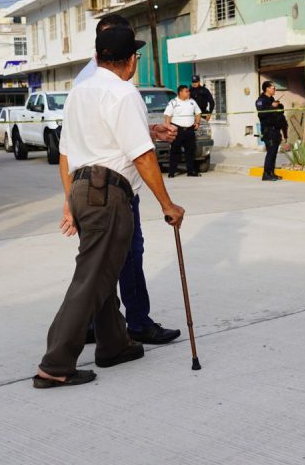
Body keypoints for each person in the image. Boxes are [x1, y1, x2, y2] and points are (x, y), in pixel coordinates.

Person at [34, 25, 185, 389]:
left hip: (84, 190)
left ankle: (114, 345)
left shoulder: (79, 92)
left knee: (102, 270)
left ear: (100, 56)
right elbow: (143, 156)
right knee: (90, 279)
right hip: (109, 194)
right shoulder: (123, 92)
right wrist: (168, 203)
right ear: (130, 59)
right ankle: (55, 364)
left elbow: (67, 153)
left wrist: (70, 203)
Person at [164, 85, 202, 178]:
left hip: (189, 130)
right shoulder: (173, 102)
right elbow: (168, 115)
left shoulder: (192, 102)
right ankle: (172, 172)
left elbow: (198, 113)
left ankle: (191, 171)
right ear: (180, 92)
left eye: (188, 91)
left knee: (190, 151)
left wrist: (197, 123)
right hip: (178, 130)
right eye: (186, 91)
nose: (188, 93)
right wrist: (168, 127)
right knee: (175, 151)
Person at [256, 81, 283, 181]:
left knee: (274, 152)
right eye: (273, 88)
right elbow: (261, 114)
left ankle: (271, 173)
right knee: (271, 152)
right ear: (267, 88)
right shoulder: (261, 100)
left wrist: (278, 106)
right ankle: (266, 174)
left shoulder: (271, 99)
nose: (274, 89)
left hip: (275, 129)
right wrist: (272, 107)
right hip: (268, 130)